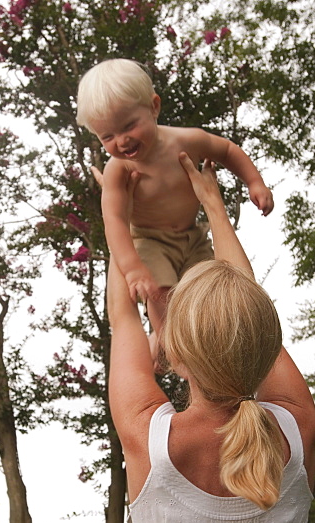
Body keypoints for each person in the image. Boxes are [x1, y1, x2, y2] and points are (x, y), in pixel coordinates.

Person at [105, 153, 315, 523]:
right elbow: (246, 312)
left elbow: (123, 318)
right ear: (263, 341)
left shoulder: (148, 437)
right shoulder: (298, 425)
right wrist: (214, 205)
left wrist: (117, 214)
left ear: (170, 351)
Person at [77, 58, 274, 343]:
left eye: (129, 126)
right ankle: (165, 338)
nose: (121, 141)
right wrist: (132, 268)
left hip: (192, 237)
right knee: (159, 292)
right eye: (108, 136)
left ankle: (200, 342)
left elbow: (228, 150)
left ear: (154, 107)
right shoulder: (118, 169)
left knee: (209, 287)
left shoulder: (187, 140)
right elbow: (115, 221)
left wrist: (255, 182)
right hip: (149, 240)